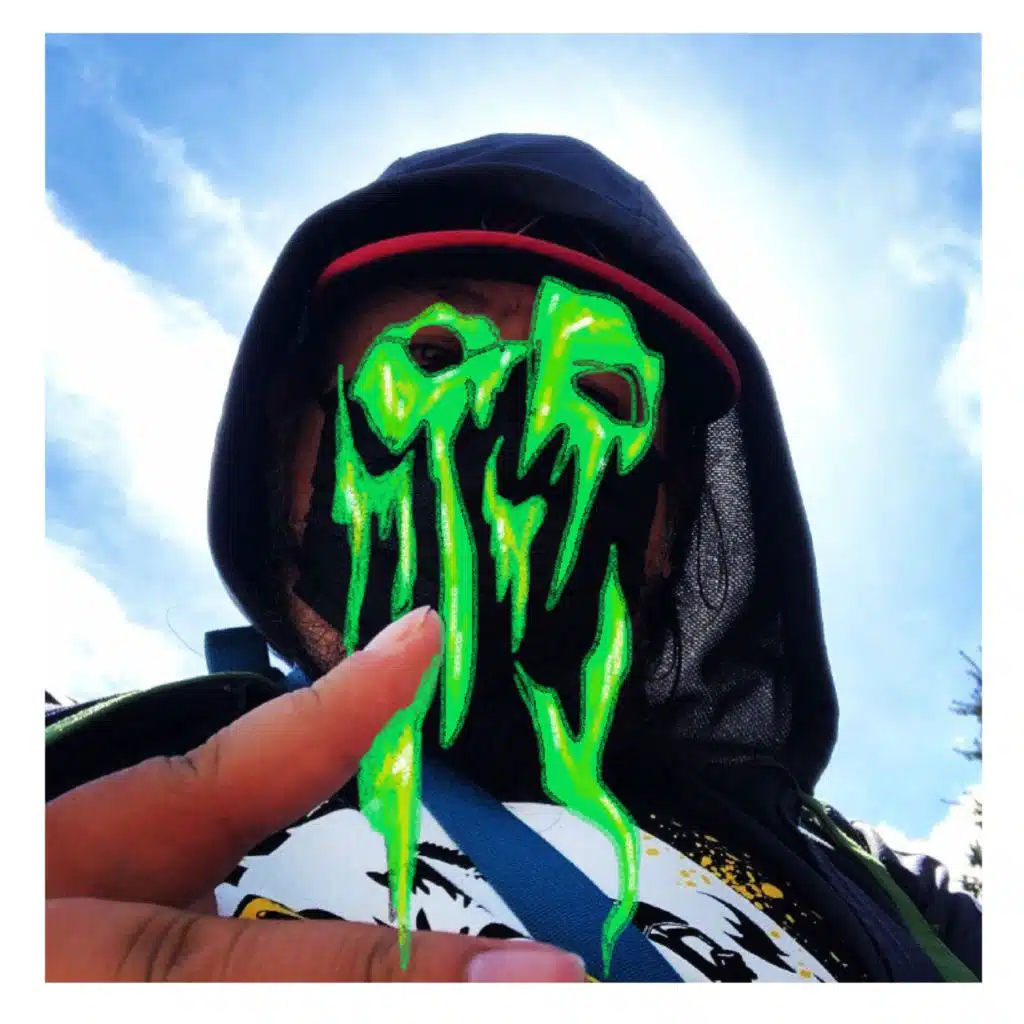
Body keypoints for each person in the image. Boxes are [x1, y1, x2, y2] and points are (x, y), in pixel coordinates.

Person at [45, 133, 981, 983]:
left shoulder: (887, 898)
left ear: (668, 535)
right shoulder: (89, 779)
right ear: (288, 454)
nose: (520, 431)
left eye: (603, 395)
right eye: (436, 352)